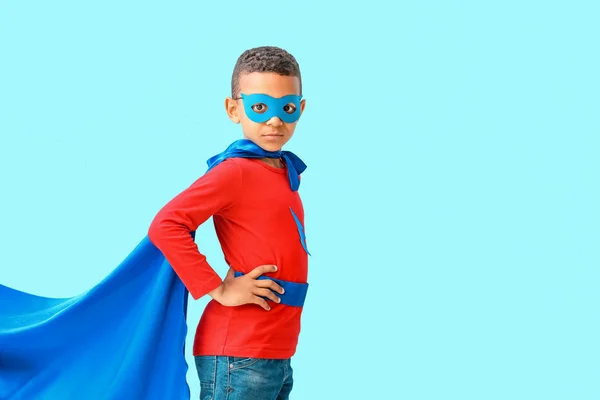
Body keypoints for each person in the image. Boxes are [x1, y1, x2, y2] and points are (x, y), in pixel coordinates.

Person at [148, 45, 311, 400]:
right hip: (241, 352)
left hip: (275, 349)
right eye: (259, 107)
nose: (274, 120)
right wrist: (217, 288)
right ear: (234, 109)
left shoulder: (281, 171)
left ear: (301, 108)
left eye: (286, 108)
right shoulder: (235, 171)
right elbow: (166, 224)